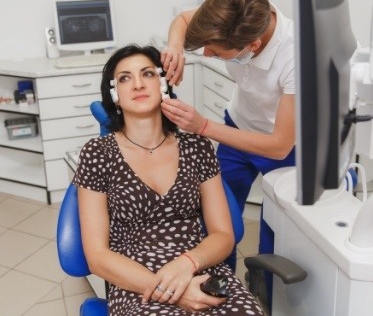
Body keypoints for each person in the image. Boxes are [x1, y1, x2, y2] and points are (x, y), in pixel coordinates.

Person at [73, 44, 264, 315]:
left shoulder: (196, 147)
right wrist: (171, 291)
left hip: (199, 268)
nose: (138, 84)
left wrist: (187, 263)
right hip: (136, 280)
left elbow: (223, 234)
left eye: (148, 74)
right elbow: (98, 257)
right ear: (115, 95)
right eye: (125, 78)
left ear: (163, 83)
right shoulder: (97, 153)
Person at [160, 0, 296, 308]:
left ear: (252, 44)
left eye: (216, 53)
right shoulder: (237, 11)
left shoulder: (295, 57)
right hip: (238, 125)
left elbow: (279, 146)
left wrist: (203, 126)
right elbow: (181, 20)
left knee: (273, 233)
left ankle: (265, 295)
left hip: (281, 147)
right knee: (217, 215)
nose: (206, 55)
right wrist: (176, 46)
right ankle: (218, 289)